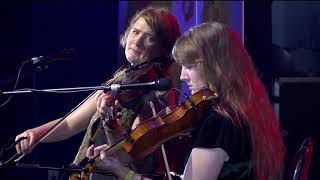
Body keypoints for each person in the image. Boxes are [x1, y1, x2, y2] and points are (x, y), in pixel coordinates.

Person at [87, 22, 285, 180]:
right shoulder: (244, 110)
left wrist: (123, 173)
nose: (182, 76)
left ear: (216, 67)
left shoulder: (219, 121)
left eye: (189, 66)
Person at [15, 6, 181, 179]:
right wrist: (36, 134)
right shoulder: (121, 78)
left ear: (164, 49)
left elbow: (128, 156)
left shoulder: (158, 93)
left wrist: (109, 120)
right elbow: (70, 123)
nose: (137, 41)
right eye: (135, 31)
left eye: (149, 38)